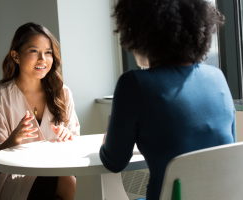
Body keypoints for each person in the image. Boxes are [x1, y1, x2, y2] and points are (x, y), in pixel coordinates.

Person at [100, 0, 235, 199]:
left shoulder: (134, 84)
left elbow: (114, 162)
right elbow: (230, 151)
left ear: (141, 31)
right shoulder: (217, 77)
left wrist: (107, 139)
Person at [0, 22, 79, 200]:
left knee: (69, 179)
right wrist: (13, 140)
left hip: (55, 169)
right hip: (12, 177)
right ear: (16, 56)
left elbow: (75, 143)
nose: (43, 59)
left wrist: (67, 136)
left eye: (48, 52)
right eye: (34, 51)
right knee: (67, 181)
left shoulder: (63, 93)